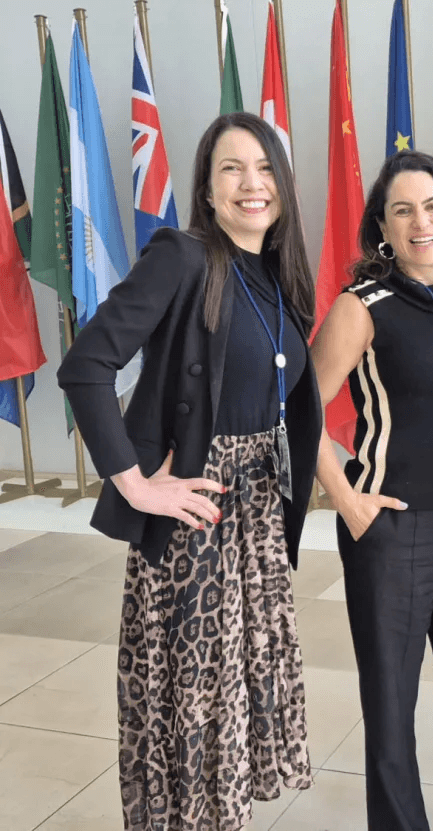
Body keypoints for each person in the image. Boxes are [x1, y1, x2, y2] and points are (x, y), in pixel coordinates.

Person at [57, 112, 322, 830]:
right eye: (231, 168)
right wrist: (135, 482)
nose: (251, 183)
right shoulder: (182, 257)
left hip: (256, 521)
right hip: (197, 519)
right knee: (196, 702)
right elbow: (86, 365)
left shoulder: (279, 275)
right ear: (206, 190)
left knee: (237, 699)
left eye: (263, 168)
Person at [312, 150, 433, 831]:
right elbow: (300, 410)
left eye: (432, 206)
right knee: (393, 710)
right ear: (384, 229)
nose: (420, 221)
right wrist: (346, 499)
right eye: (402, 210)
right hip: (391, 529)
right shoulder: (361, 307)